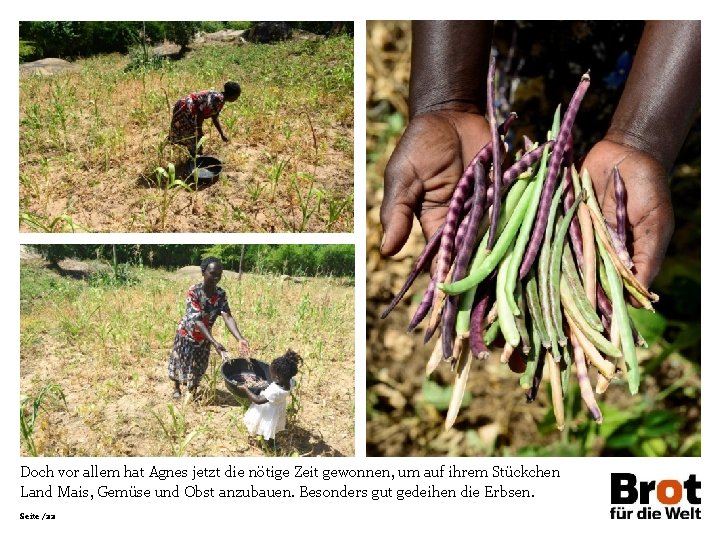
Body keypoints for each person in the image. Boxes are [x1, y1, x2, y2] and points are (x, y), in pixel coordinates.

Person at [380, 21, 700, 290]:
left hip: (664, 61)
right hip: (521, 34)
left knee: (609, 192)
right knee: (519, 141)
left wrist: (644, 138)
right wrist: (448, 99)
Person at [168, 256, 250, 401]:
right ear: (203, 272)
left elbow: (227, 316)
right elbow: (197, 321)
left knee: (199, 365)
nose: (216, 277)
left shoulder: (220, 294)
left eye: (219, 274)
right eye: (212, 273)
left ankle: (192, 389)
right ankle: (176, 387)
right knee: (180, 361)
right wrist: (214, 342)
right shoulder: (194, 291)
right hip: (187, 334)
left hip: (204, 338)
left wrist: (240, 338)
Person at [239, 349, 303, 444]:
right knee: (272, 426)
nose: (271, 377)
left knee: (264, 424)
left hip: (268, 410)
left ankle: (263, 443)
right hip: (278, 408)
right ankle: (269, 441)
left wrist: (246, 389)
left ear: (277, 378)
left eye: (272, 375)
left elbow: (258, 400)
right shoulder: (291, 381)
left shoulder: (274, 391)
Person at [167, 81, 241, 157]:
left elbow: (215, 117)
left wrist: (222, 134)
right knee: (194, 137)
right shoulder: (217, 100)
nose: (237, 98)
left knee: (190, 134)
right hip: (186, 109)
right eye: (237, 96)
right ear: (232, 96)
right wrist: (199, 130)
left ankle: (195, 156)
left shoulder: (220, 98)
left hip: (182, 104)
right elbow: (200, 115)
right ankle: (195, 159)